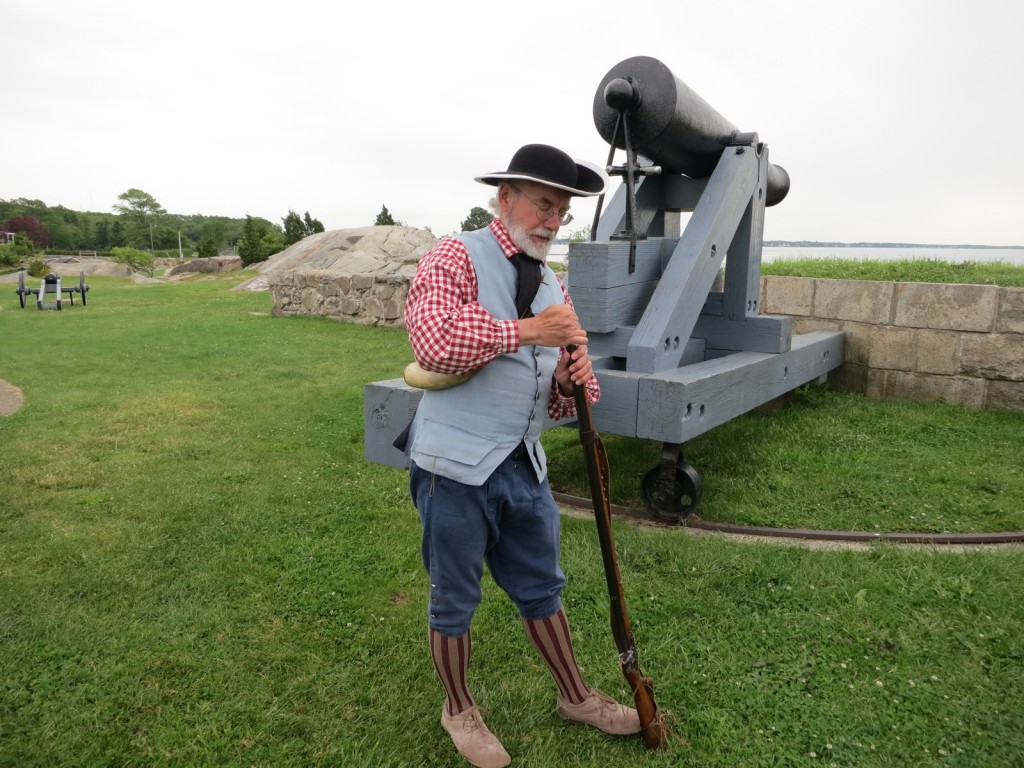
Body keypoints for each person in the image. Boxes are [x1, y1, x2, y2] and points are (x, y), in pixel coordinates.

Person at [400, 144, 640, 768]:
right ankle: (459, 710)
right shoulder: (454, 256)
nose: (552, 221)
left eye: (561, 211)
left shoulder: (552, 279)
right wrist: (532, 331)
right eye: (543, 204)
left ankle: (576, 696)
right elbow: (433, 343)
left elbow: (573, 389)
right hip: (452, 469)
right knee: (454, 598)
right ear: (505, 198)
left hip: (522, 466)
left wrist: (570, 378)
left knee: (542, 588)